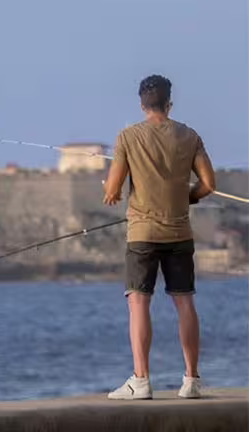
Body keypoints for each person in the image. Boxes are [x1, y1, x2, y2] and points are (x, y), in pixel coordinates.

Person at [103, 74, 217, 400]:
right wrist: (188, 198)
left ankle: (141, 381)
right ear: (169, 103)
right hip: (179, 230)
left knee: (139, 302)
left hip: (142, 233)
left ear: (142, 104)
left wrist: (110, 193)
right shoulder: (190, 136)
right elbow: (209, 183)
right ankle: (191, 380)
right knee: (185, 301)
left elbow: (112, 190)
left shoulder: (127, 137)